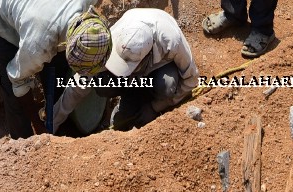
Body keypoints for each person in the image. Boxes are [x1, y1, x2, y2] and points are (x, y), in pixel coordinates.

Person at [0, 0, 111, 139]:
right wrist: (38, 126)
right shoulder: (40, 42)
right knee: (12, 90)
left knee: (58, 70)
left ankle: (59, 124)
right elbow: (18, 78)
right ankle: (23, 143)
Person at [56, 8, 199, 132]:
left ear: (146, 55)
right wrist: (54, 120)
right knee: (103, 85)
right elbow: (81, 81)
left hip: (161, 66)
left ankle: (150, 97)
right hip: (137, 78)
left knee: (166, 86)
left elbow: (192, 79)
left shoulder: (172, 41)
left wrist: (155, 107)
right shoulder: (110, 40)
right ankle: (131, 96)